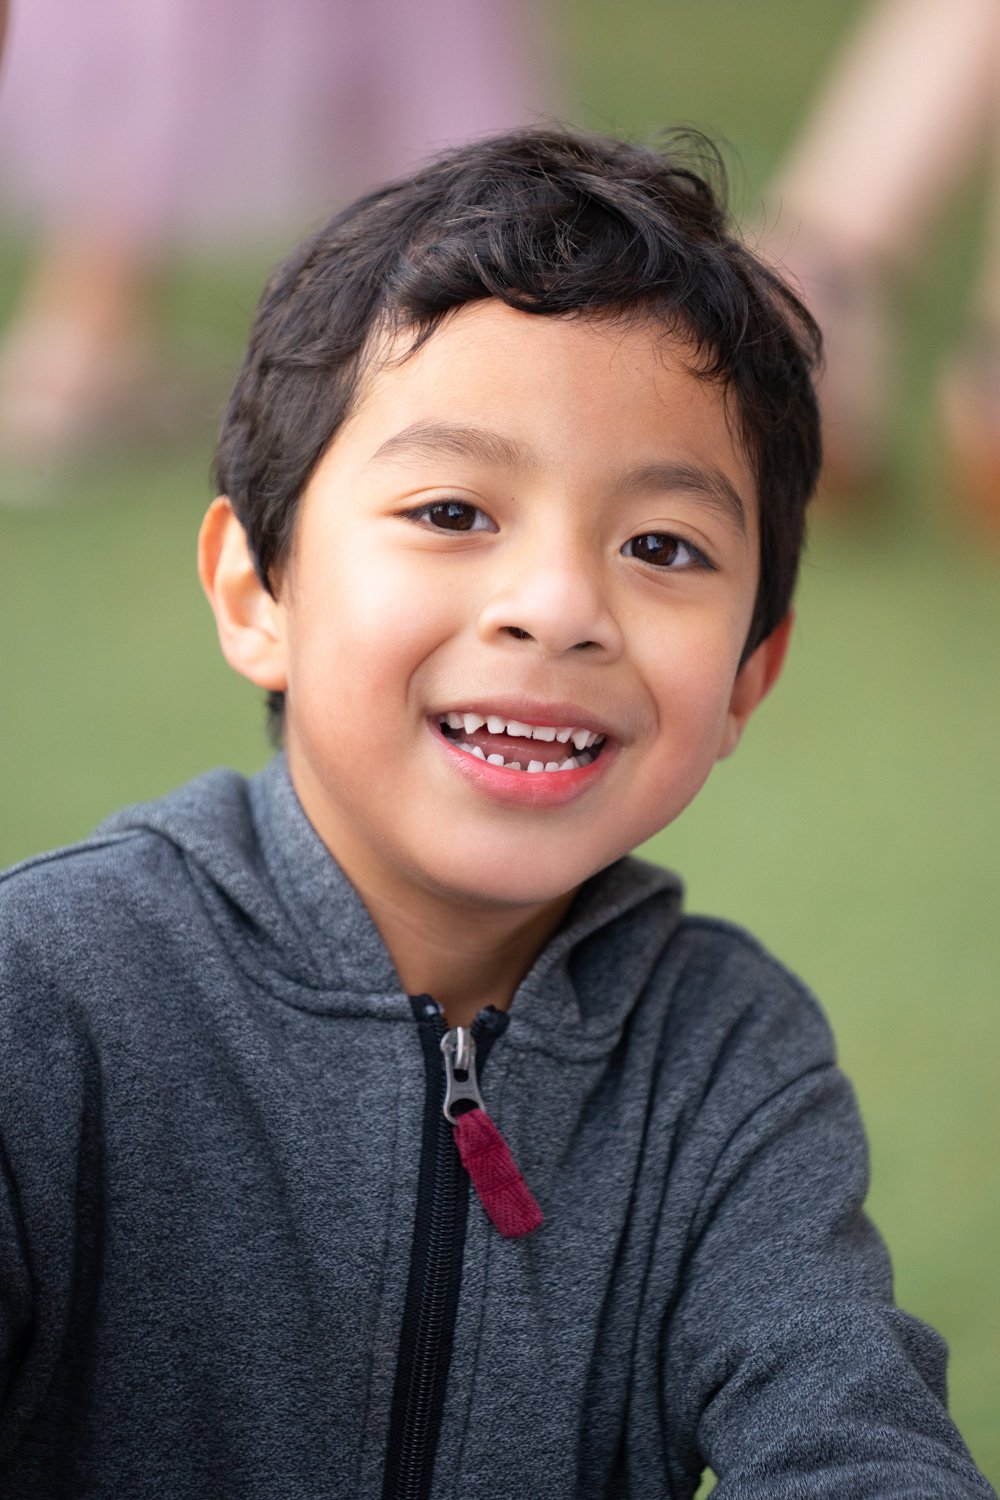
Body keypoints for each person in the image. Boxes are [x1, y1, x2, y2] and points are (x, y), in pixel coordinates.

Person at [0, 128, 993, 1499]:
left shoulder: (728, 1062)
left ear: (751, 675)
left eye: (662, 547)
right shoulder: (46, 996)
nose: (559, 608)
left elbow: (856, 1446)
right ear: (254, 593)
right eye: (455, 508)